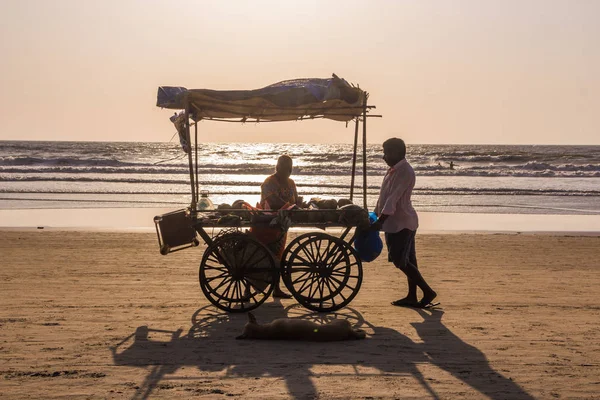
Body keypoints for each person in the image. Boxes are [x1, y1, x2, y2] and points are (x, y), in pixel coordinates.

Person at [370, 138, 437, 308]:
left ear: (398, 153)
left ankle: (427, 291)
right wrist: (375, 214)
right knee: (409, 260)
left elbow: (394, 198)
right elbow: (383, 196)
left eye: (387, 152)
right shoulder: (392, 171)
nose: (384, 156)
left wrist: (381, 220)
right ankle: (412, 296)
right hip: (395, 221)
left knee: (400, 261)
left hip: (402, 222)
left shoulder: (405, 171)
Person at [253, 155, 302, 299]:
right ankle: (248, 289)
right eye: (284, 168)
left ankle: (276, 288)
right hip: (266, 223)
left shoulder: (291, 183)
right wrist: (289, 206)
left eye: (289, 169)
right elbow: (272, 201)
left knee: (278, 256)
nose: (287, 172)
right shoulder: (268, 182)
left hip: (282, 224)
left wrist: (298, 205)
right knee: (258, 255)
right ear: (277, 167)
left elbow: (296, 200)